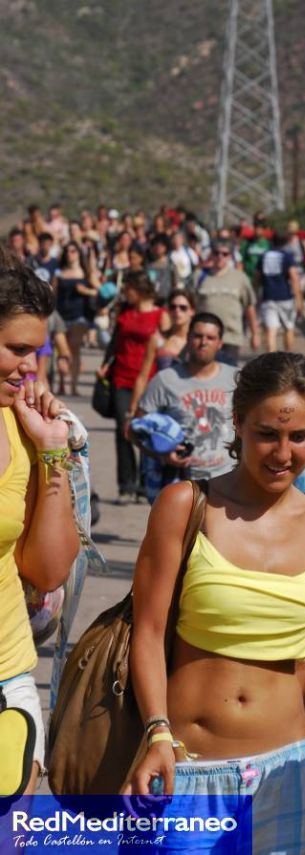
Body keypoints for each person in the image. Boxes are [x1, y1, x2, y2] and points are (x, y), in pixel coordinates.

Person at [124, 352, 305, 854]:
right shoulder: (186, 506)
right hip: (186, 767)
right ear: (239, 423)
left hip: (288, 773)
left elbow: (303, 659)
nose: (282, 453)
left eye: (299, 436)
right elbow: (149, 633)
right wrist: (157, 735)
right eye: (267, 433)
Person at [0, 247, 79, 793]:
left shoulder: (25, 433)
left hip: (8, 680)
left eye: (37, 351)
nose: (30, 367)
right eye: (16, 350)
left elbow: (48, 570)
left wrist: (52, 453)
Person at [132, 312, 236, 498]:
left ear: (220, 343)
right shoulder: (165, 380)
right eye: (198, 336)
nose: (203, 342)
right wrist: (162, 454)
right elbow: (134, 429)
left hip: (229, 481)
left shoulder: (236, 379)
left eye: (210, 338)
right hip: (183, 484)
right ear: (188, 339)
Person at [98, 270, 164, 503]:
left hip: (150, 379)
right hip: (122, 377)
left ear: (140, 289)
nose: (125, 293)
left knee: (148, 432)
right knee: (123, 429)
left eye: (128, 289)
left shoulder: (160, 314)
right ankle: (127, 483)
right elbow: (116, 341)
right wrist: (105, 365)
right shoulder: (125, 312)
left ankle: (148, 482)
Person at [128, 287, 195, 416]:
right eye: (173, 307)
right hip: (161, 403)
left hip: (188, 405)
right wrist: (132, 410)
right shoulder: (158, 339)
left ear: (192, 311)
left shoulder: (199, 342)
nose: (177, 311)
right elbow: (143, 376)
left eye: (183, 308)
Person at [196, 239, 259, 365]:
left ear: (230, 256)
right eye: (216, 253)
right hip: (204, 338)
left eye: (224, 254)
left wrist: (255, 334)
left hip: (231, 337)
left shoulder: (240, 278)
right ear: (211, 254)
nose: (220, 257)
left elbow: (249, 307)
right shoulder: (199, 276)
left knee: (228, 378)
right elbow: (191, 307)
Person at [53, 241, 98, 396]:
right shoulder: (59, 273)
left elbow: (99, 292)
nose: (70, 254)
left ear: (79, 253)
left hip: (79, 317)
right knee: (62, 351)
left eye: (73, 251)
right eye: (67, 251)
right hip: (60, 316)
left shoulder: (86, 274)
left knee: (75, 350)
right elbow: (53, 293)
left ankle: (73, 385)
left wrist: (85, 290)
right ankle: (61, 384)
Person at [255, 230, 303, 352]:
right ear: (286, 241)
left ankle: (271, 361)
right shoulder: (287, 256)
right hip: (285, 297)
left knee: (271, 330)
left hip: (268, 296)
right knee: (289, 327)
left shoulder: (264, 256)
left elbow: (257, 277)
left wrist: (256, 295)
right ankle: (288, 358)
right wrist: (299, 299)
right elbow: (294, 277)